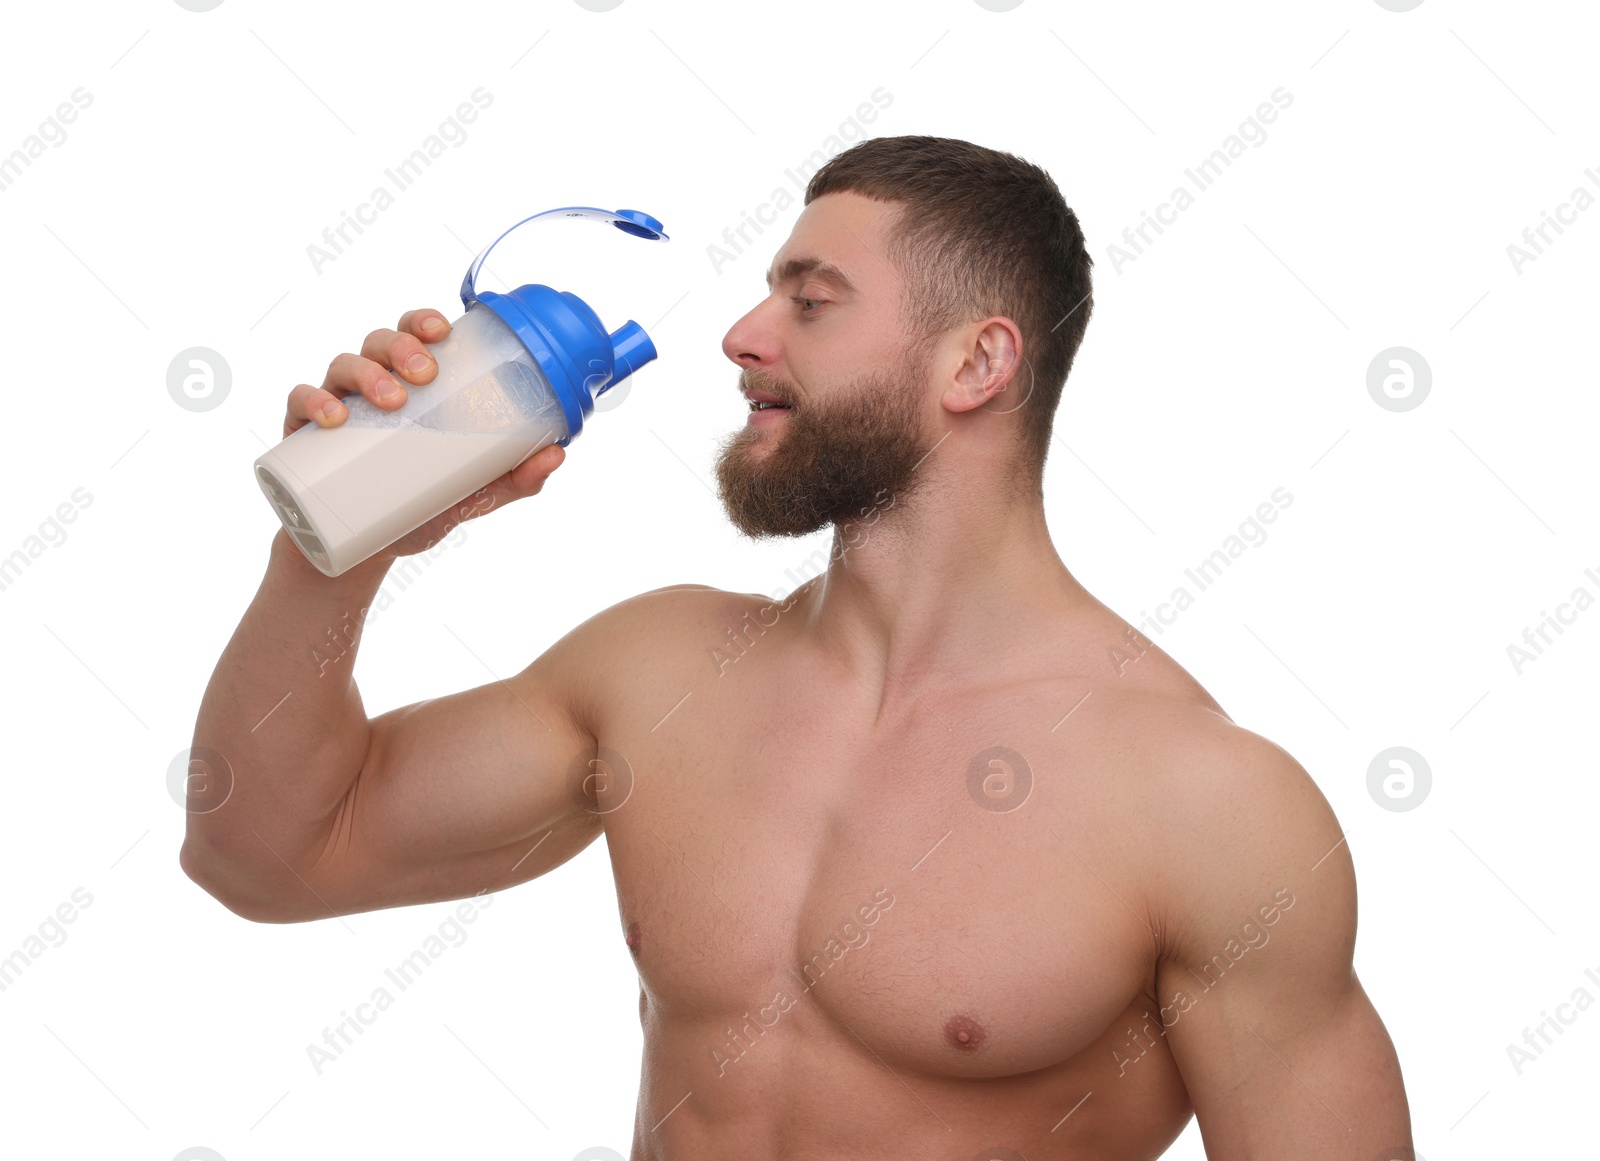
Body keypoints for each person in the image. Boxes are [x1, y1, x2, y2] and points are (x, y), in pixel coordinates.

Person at [183, 135, 1413, 1159]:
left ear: (977, 362)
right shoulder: (659, 675)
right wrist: (337, 545)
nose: (739, 334)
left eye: (809, 302)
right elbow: (264, 857)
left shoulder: (1204, 803)